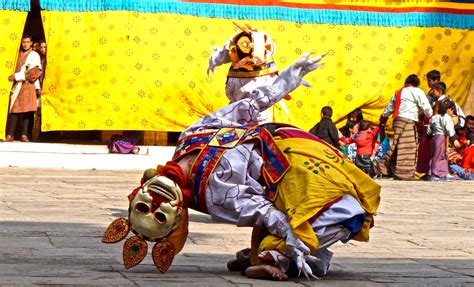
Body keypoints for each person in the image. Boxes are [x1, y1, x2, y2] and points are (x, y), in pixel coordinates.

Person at [102, 53, 381, 281]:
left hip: (290, 143)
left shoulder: (189, 137)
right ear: (177, 218)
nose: (156, 203)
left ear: (142, 188)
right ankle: (276, 258)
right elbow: (266, 213)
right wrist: (292, 240)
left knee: (349, 201)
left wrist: (287, 81)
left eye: (143, 205)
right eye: (158, 217)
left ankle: (261, 253)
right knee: (349, 212)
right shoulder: (215, 196)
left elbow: (245, 107)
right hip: (292, 178)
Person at [207, 23, 294, 124]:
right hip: (260, 117)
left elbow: (229, 92)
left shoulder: (262, 75)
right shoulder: (268, 76)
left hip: (244, 115)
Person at [377, 74, 432, 180]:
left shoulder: (398, 92)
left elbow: (389, 108)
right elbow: (426, 107)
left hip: (397, 121)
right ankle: (403, 173)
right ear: (416, 84)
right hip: (408, 121)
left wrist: (382, 120)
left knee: (396, 145)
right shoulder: (417, 91)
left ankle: (384, 169)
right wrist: (428, 119)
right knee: (407, 147)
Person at [5, 34, 42, 142]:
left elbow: (35, 71)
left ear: (31, 43)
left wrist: (17, 76)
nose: (25, 44)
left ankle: (24, 134)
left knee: (27, 111)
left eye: (27, 42)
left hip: (28, 85)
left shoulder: (34, 55)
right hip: (17, 86)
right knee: (14, 110)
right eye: (23, 42)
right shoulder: (17, 54)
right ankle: (10, 134)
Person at [427, 100, 457, 181]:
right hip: (441, 138)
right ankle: (434, 174)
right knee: (439, 156)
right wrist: (454, 139)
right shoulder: (446, 117)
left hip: (434, 138)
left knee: (440, 155)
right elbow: (449, 129)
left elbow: (429, 130)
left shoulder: (434, 117)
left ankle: (445, 173)